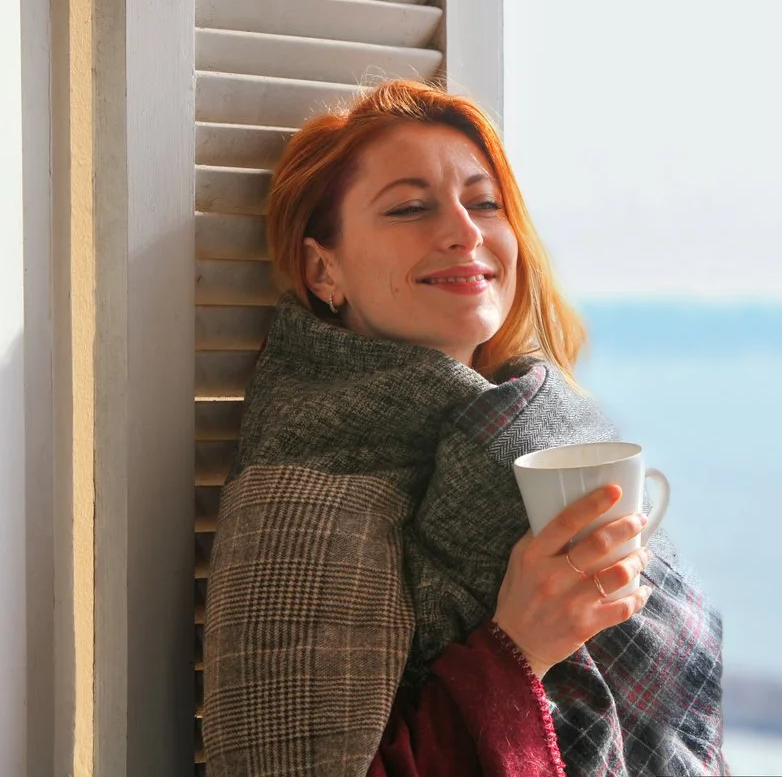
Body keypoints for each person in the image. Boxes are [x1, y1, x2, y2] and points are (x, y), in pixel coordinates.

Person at [202, 80, 727, 776]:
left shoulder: (552, 424)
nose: (464, 231)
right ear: (323, 270)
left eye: (484, 202)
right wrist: (517, 651)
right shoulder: (299, 500)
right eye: (411, 208)